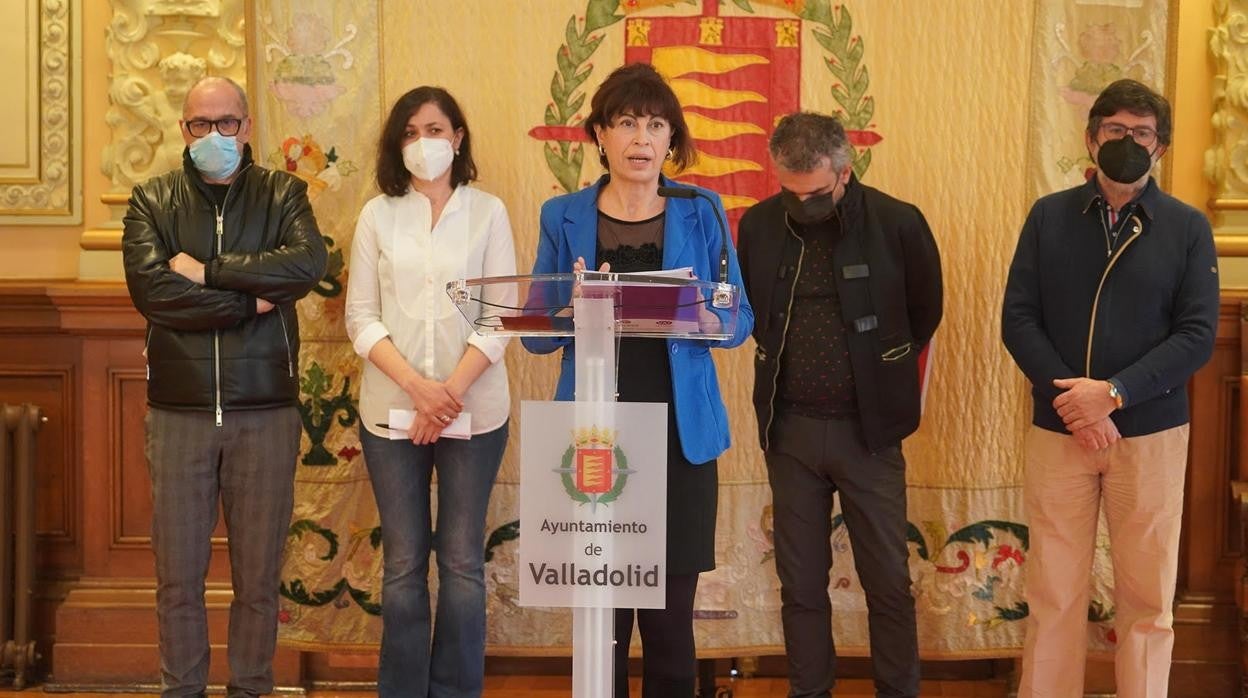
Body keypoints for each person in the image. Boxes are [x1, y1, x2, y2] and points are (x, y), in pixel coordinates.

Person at [522, 62, 753, 698]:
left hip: (679, 435)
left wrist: (709, 315)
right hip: (595, 437)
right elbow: (539, 332)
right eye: (626, 123)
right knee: (603, 621)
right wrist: (567, 307)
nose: (641, 138)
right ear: (600, 134)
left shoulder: (701, 208)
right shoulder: (562, 214)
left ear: (671, 139)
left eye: (655, 124)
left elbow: (739, 318)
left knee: (670, 623)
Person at [1002, 79, 1219, 697]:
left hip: (1148, 432)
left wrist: (1114, 394)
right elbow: (1019, 317)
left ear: (1162, 148)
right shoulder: (1049, 215)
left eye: (1142, 133)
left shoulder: (1186, 227)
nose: (1128, 142)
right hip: (1060, 430)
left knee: (1148, 597)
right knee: (1053, 591)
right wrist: (1076, 405)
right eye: (1116, 130)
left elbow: (1199, 334)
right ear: (1091, 138)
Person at [121, 76, 327, 697]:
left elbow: (304, 265)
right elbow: (154, 293)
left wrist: (207, 269)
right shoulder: (151, 200)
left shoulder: (284, 193)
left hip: (264, 410)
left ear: (248, 125)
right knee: (178, 580)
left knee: (259, 580)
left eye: (227, 123)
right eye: (200, 125)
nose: (215, 136)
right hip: (178, 412)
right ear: (183, 131)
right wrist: (247, 302)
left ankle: (251, 689)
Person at [737, 112, 943, 698]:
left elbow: (924, 311)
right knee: (799, 584)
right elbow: (756, 315)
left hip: (869, 432)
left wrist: (881, 373)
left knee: (888, 582)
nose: (802, 203)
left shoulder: (898, 223)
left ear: (845, 170)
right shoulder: (758, 225)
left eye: (816, 192)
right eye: (790, 191)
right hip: (791, 431)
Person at [345, 86, 516, 698]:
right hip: (392, 409)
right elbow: (361, 318)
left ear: (458, 138)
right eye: (412, 132)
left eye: (436, 130)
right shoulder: (377, 215)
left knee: (464, 564)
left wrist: (449, 393)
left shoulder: (489, 212)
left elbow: (500, 317)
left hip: (476, 408)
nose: (425, 143)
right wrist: (420, 389)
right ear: (399, 144)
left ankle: (456, 690)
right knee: (402, 565)